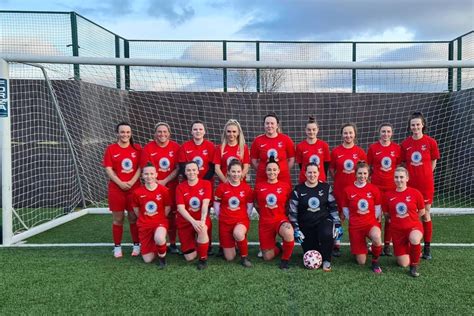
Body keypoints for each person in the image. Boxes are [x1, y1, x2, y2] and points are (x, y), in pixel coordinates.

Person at [289, 163, 342, 272]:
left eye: (314, 172)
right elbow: (292, 212)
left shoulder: (326, 188)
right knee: (311, 252)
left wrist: (337, 225)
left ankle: (327, 260)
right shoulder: (298, 189)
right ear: (305, 173)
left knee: (327, 233)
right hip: (306, 224)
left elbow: (333, 207)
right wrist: (296, 229)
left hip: (323, 221)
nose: (312, 175)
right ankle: (320, 251)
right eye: (309, 172)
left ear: (318, 173)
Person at [400, 112, 440, 260]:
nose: (415, 127)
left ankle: (427, 247)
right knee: (410, 214)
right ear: (410, 127)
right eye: (413, 125)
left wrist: (427, 174)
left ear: (423, 125)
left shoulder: (431, 142)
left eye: (418, 124)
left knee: (425, 214)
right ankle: (412, 244)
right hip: (410, 185)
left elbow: (434, 161)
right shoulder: (405, 144)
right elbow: (404, 164)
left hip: (426, 185)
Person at [102, 122, 141, 258]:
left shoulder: (137, 148)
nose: (125, 134)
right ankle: (117, 247)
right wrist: (120, 183)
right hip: (116, 189)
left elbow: (140, 168)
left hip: (134, 188)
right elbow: (108, 169)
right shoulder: (111, 149)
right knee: (118, 219)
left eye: (127, 132)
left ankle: (136, 245)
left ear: (131, 134)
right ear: (117, 133)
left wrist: (131, 182)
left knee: (133, 217)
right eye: (122, 132)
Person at [141, 122, 181, 254]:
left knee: (172, 214)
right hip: (153, 187)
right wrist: (157, 183)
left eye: (165, 132)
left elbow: (178, 168)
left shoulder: (175, 147)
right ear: (155, 133)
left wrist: (165, 180)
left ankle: (173, 243)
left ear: (169, 133)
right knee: (156, 213)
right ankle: (158, 240)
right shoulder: (148, 148)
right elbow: (145, 168)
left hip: (172, 186)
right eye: (159, 132)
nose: (162, 134)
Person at [178, 120, 216, 254]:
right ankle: (191, 242)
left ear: (204, 131)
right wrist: (193, 180)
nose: (198, 131)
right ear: (191, 131)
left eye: (200, 129)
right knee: (188, 210)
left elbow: (212, 168)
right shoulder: (185, 146)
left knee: (205, 212)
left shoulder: (211, 146)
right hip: (188, 184)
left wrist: (200, 182)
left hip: (205, 185)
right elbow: (182, 167)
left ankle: (207, 243)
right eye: (195, 129)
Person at [330, 122, 366, 256]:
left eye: (350, 133)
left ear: (354, 134)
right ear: (342, 135)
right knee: (338, 217)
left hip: (355, 191)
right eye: (345, 133)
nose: (348, 135)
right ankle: (337, 243)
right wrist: (341, 179)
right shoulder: (336, 151)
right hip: (340, 189)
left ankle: (360, 242)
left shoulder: (360, 152)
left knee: (357, 215)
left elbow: (364, 171)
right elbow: (332, 170)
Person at [341, 161, 384, 274]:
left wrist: (370, 219)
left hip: (370, 224)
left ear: (368, 174)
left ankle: (375, 261)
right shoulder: (347, 190)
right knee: (361, 261)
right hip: (355, 226)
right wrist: (355, 220)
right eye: (360, 173)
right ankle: (364, 247)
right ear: (355, 174)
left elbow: (378, 208)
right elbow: (345, 210)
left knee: (376, 236)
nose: (362, 176)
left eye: (365, 173)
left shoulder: (374, 189)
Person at [383, 167, 425, 277]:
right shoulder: (388, 195)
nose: (399, 180)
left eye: (401, 177)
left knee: (414, 238)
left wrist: (411, 219)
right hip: (397, 232)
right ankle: (412, 250)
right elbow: (387, 215)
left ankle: (414, 266)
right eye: (396, 177)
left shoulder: (415, 193)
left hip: (413, 227)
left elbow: (422, 211)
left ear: (407, 178)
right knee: (403, 263)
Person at [367, 123, 401, 256]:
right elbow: (368, 167)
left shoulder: (397, 148)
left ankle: (387, 244)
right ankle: (377, 244)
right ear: (379, 133)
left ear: (392, 133)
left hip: (392, 189)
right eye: (383, 131)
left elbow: (399, 167)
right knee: (376, 217)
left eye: (388, 132)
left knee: (390, 217)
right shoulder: (373, 148)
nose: (385, 134)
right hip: (376, 188)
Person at [254, 158, 295, 269]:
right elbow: (256, 204)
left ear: (278, 171)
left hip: (280, 220)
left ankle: (285, 260)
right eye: (269, 170)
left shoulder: (285, 186)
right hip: (265, 223)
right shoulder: (259, 187)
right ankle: (279, 247)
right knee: (267, 257)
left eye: (274, 169)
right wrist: (264, 213)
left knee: (289, 232)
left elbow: (289, 205)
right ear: (265, 171)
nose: (272, 172)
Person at [214, 160, 254, 267]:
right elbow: (216, 205)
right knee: (229, 258)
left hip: (240, 220)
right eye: (233, 172)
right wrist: (221, 217)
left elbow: (250, 206)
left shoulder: (246, 188)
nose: (236, 174)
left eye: (238, 172)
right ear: (228, 172)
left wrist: (245, 217)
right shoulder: (221, 188)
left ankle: (244, 257)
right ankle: (233, 245)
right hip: (225, 222)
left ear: (242, 172)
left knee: (238, 233)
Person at [132, 163, 171, 268]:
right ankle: (159, 244)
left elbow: (167, 207)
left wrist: (159, 218)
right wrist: (145, 218)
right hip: (144, 225)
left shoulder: (164, 190)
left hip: (160, 222)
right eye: (146, 174)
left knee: (159, 237)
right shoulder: (137, 192)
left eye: (151, 173)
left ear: (156, 175)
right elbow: (136, 210)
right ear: (142, 176)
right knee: (147, 260)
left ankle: (162, 259)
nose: (149, 176)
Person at [175, 161, 212, 270]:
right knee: (190, 257)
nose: (191, 172)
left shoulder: (206, 184)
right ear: (185, 172)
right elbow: (180, 208)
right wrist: (193, 221)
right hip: (185, 222)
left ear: (198, 171)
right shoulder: (180, 187)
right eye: (189, 170)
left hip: (200, 219)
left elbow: (205, 204)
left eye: (194, 170)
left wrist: (202, 220)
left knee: (202, 228)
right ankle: (200, 245)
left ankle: (203, 259)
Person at [251, 113, 295, 187]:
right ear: (264, 125)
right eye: (267, 123)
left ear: (277, 125)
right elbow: (253, 161)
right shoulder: (257, 141)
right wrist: (264, 170)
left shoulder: (286, 139)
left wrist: (282, 170)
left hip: (282, 177)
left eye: (272, 123)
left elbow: (292, 159)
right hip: (263, 177)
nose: (269, 126)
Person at [295, 116, 330, 184]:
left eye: (314, 129)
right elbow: (301, 165)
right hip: (305, 180)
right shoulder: (300, 146)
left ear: (317, 130)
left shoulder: (324, 145)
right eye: (309, 129)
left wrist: (322, 177)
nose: (311, 132)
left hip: (320, 180)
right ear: (305, 130)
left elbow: (326, 164)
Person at [214, 119, 250, 183]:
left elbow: (246, 167)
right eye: (229, 131)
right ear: (225, 132)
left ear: (238, 132)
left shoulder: (244, 148)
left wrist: (238, 180)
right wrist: (225, 181)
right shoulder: (220, 148)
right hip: (225, 183)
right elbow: (217, 169)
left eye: (234, 131)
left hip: (240, 183)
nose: (231, 134)